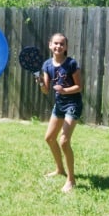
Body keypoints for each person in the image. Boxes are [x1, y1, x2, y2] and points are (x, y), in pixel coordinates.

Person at [38, 33, 83, 193]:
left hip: (73, 104)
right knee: (50, 138)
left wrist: (64, 90)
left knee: (64, 141)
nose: (58, 46)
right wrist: (41, 83)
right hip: (60, 105)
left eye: (61, 44)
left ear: (66, 47)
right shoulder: (47, 65)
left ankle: (71, 180)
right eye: (55, 43)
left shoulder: (71, 64)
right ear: (50, 45)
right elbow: (45, 90)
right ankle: (60, 170)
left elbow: (79, 87)